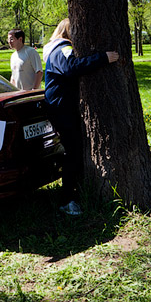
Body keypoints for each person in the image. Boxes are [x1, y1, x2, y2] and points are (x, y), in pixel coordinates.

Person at [43, 18, 119, 216]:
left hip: (62, 106)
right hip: (61, 108)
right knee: (72, 152)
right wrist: (102, 58)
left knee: (74, 150)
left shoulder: (57, 49)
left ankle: (72, 193)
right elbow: (72, 67)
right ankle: (67, 200)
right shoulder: (61, 48)